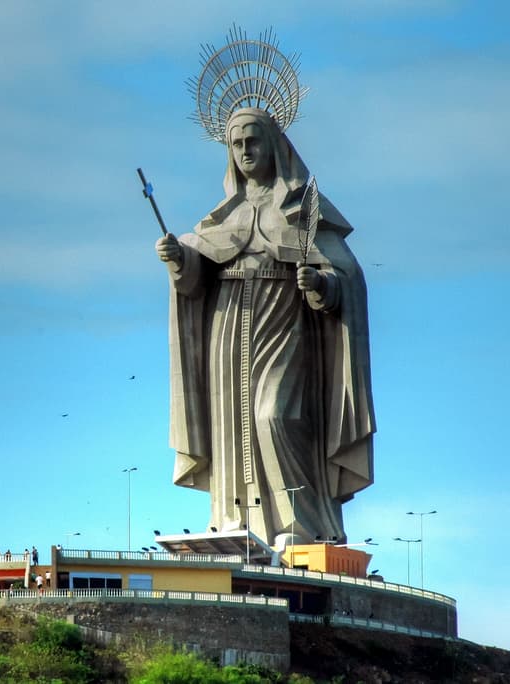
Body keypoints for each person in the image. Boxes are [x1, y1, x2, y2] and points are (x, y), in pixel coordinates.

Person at [156, 107, 375, 546]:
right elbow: (197, 275)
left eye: (252, 142)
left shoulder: (300, 207)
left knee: (274, 416)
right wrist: (180, 261)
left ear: (273, 145)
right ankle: (240, 524)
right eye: (236, 145)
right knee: (233, 424)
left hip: (286, 322)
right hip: (228, 322)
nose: (245, 151)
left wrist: (320, 284)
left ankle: (303, 525)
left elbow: (344, 276)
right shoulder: (222, 217)